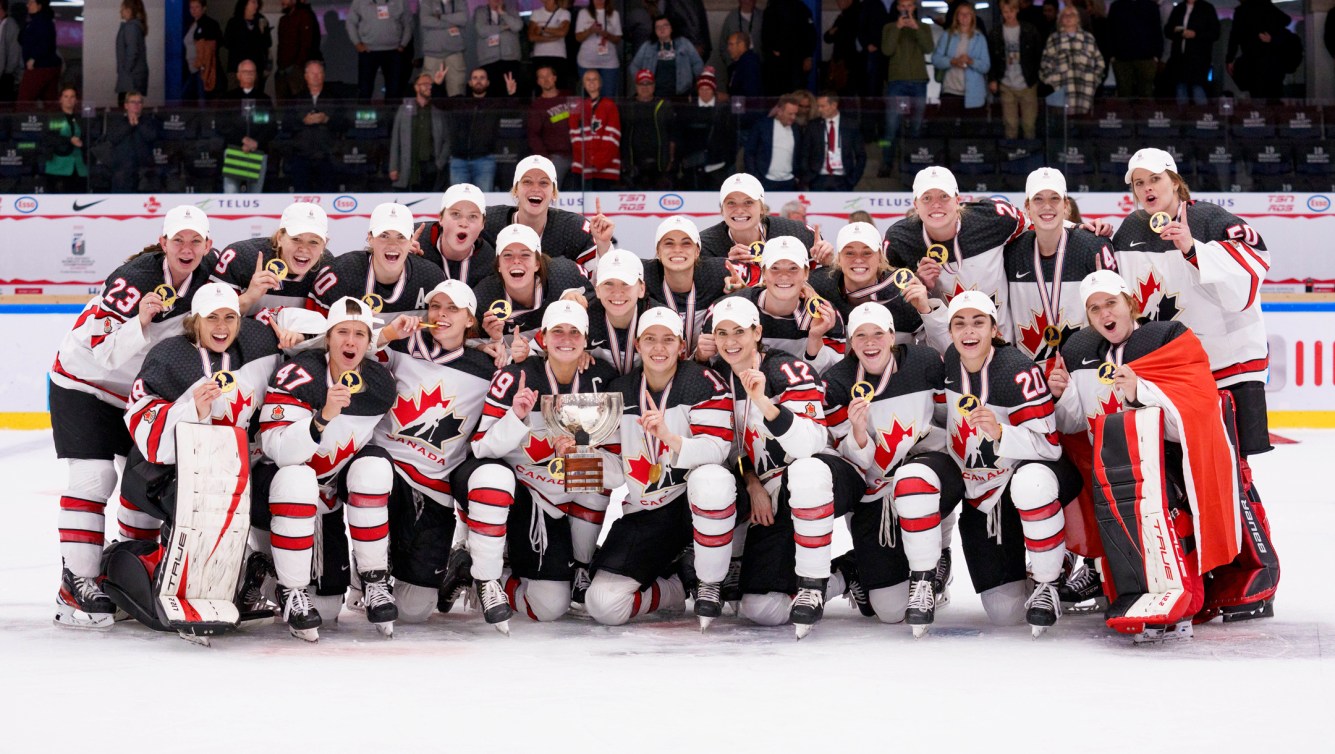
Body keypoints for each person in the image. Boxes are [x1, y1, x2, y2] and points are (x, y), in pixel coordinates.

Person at [1111, 147, 1273, 616]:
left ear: (1174, 181)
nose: (1146, 189)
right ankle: (1204, 575)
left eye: (1153, 180)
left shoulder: (1209, 219)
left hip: (1228, 368)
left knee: (1233, 475)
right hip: (1172, 375)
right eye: (1137, 182)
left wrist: (1193, 249)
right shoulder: (1130, 231)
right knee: (1186, 478)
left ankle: (1257, 577)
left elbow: (1252, 276)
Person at [1049, 271, 1254, 640]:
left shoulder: (1167, 339)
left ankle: (1185, 599)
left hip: (1167, 467)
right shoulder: (1078, 351)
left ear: (1130, 303)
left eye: (1111, 303)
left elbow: (1196, 413)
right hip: (1109, 471)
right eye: (1094, 309)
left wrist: (1141, 391)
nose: (1104, 313)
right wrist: (1062, 395)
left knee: (1165, 513)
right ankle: (1127, 594)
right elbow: (1074, 424)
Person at [50, 205, 216, 629]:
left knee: (147, 482)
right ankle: (77, 582)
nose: (187, 247)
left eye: (195, 240)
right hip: (83, 384)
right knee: (94, 479)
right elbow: (101, 352)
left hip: (138, 396)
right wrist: (141, 319)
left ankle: (128, 573)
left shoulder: (212, 277)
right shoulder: (134, 281)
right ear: (163, 243)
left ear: (207, 246)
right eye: (178, 239)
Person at [109, 283, 285, 635]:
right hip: (162, 470)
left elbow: (310, 329)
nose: (222, 326)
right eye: (213, 318)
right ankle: (141, 580)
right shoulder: (169, 355)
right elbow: (146, 430)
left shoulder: (257, 346)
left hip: (230, 469)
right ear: (195, 321)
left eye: (230, 317)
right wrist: (192, 410)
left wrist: (290, 331)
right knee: (184, 511)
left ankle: (239, 579)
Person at [911, 289, 1082, 635]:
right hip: (981, 486)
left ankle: (1049, 579)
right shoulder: (952, 361)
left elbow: (1050, 447)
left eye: (978, 323)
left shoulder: (1018, 371)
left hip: (1033, 473)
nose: (968, 331)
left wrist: (1001, 432)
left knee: (1030, 483)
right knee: (1005, 612)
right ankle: (941, 569)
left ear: (994, 329)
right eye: (960, 324)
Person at [704, 296, 849, 638]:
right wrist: (752, 483)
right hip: (770, 491)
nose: (730, 341)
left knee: (805, 473)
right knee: (759, 607)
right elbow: (731, 448)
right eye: (721, 333)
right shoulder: (718, 378)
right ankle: (839, 575)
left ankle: (823, 582)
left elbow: (809, 445)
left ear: (757, 332)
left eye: (739, 331)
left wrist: (765, 405)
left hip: (818, 481)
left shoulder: (787, 370)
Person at [254, 296, 398, 640]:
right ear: (328, 337)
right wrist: (323, 418)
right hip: (276, 489)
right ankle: (289, 589)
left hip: (327, 494)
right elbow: (279, 450)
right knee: (298, 477)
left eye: (360, 334)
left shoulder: (378, 383)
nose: (350, 341)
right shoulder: (300, 373)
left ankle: (374, 579)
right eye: (343, 332)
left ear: (369, 341)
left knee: (375, 467)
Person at [372, 282, 512, 629]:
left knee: (415, 609)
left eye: (453, 309)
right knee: (369, 478)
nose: (441, 315)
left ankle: (458, 564)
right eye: (435, 306)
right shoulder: (401, 346)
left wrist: (504, 350)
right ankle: (371, 570)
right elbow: (353, 347)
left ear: (470, 319)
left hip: (435, 486)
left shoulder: (487, 365)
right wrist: (387, 332)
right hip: (386, 470)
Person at [470, 301, 621, 619]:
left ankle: (581, 566)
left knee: (595, 476)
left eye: (573, 332)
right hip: (530, 499)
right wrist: (516, 415)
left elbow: (618, 474)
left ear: (585, 338)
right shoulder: (516, 376)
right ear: (543, 337)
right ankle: (490, 577)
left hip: (573, 496)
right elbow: (481, 449)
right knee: (548, 607)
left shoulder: (602, 378)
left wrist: (578, 455)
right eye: (557, 331)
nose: (565, 339)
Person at [586, 308, 736, 627]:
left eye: (668, 340)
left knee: (712, 479)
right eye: (650, 339)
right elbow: (613, 471)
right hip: (648, 513)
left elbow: (717, 451)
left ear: (682, 345)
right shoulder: (619, 389)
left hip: (695, 507)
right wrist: (577, 454)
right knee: (602, 605)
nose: (659, 347)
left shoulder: (702, 381)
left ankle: (710, 578)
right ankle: (678, 586)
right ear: (637, 344)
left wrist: (670, 438)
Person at [823, 301, 961, 631]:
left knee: (916, 480)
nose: (870, 342)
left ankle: (936, 560)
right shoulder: (837, 382)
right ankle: (855, 566)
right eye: (860, 336)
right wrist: (857, 430)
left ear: (891, 336)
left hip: (927, 471)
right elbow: (854, 464)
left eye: (877, 334)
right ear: (850, 342)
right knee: (889, 609)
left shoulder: (925, 361)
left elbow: (946, 419)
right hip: (877, 491)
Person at [886, 166, 1026, 339]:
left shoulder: (993, 219)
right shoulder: (900, 239)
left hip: (1001, 344)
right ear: (916, 204)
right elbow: (893, 299)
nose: (936, 204)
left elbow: (1033, 230)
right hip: (944, 350)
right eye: (927, 198)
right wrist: (920, 282)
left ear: (957, 200)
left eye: (944, 196)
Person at [1005, 167, 1115, 365]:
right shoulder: (1012, 252)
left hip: (1084, 364)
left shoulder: (1092, 246)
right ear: (1027, 207)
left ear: (1066, 206)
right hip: (1029, 368)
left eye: (1054, 198)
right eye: (1038, 199)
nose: (1047, 206)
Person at [719, 236, 846, 373]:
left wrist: (814, 338)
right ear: (763, 273)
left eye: (793, 268)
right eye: (775, 268)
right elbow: (718, 367)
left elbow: (829, 377)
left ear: (806, 273)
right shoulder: (736, 306)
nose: (784, 276)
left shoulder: (824, 313)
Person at [308, 203, 446, 319]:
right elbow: (315, 334)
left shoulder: (431, 277)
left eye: (401, 237)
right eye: (384, 236)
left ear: (411, 241)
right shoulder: (340, 274)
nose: (392, 244)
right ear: (370, 238)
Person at [481, 154, 615, 272]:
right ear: (516, 189)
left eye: (543, 183)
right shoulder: (490, 223)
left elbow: (600, 283)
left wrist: (603, 244)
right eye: (527, 182)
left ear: (554, 193)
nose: (535, 189)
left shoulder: (572, 228)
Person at [472, 223, 594, 345]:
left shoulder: (565, 276)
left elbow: (601, 303)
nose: (516, 261)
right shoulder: (483, 297)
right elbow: (464, 343)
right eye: (508, 255)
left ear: (537, 263)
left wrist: (579, 304)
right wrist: (490, 343)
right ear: (498, 265)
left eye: (525, 254)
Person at [210, 201, 334, 315]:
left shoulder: (328, 268)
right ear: (279, 237)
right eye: (296, 239)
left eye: (314, 242)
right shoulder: (242, 256)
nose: (304, 249)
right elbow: (210, 319)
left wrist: (301, 335)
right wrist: (249, 297)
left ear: (324, 244)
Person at [808, 221, 924, 341]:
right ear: (838, 259)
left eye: (867, 253)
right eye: (849, 253)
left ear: (880, 257)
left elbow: (934, 347)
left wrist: (926, 311)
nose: (858, 259)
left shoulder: (903, 292)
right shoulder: (819, 287)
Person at [699, 173, 822, 283]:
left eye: (748, 202)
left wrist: (827, 261)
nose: (740, 210)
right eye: (731, 203)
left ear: (762, 208)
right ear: (721, 210)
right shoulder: (704, 245)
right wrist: (724, 267)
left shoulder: (797, 232)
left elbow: (822, 278)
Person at [645, 216, 733, 359]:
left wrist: (741, 292)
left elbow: (764, 280)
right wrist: (603, 243)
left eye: (686, 243)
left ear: (697, 251)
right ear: (658, 251)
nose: (677, 250)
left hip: (704, 370)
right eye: (669, 244)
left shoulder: (719, 273)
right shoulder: (642, 275)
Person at [879, 0, 934, 177]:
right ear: (897, 8)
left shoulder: (923, 27)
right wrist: (898, 27)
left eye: (910, 5)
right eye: (903, 6)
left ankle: (913, 163)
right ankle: (886, 162)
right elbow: (886, 50)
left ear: (915, 8)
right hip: (897, 82)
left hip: (918, 81)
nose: (906, 9)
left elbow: (928, 48)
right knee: (891, 125)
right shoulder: (889, 27)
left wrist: (916, 28)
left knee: (916, 125)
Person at [584, 249, 660, 376]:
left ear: (641, 289)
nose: (617, 292)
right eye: (608, 283)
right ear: (597, 290)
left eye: (626, 284)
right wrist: (573, 356)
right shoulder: (583, 316)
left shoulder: (660, 319)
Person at [445, 67, 516, 192]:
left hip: (484, 160)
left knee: (483, 203)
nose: (478, 81)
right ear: (470, 82)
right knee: (458, 202)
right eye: (475, 78)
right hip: (458, 160)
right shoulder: (460, 101)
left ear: (488, 82)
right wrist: (437, 85)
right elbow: (440, 104)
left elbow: (512, 111)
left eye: (482, 78)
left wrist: (511, 94)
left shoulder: (494, 103)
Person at [413, 183, 495, 287]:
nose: (463, 223)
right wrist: (404, 264)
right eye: (456, 214)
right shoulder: (411, 240)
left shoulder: (488, 262)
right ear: (441, 218)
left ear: (482, 224)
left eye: (473, 216)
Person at [282, 60, 344, 191]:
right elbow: (286, 124)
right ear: (305, 76)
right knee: (302, 199)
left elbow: (344, 123)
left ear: (324, 75)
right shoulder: (296, 99)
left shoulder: (334, 99)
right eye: (312, 73)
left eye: (319, 73)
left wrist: (326, 119)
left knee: (328, 198)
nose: (316, 76)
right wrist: (304, 121)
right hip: (301, 156)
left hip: (327, 157)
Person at [219, 59, 277, 193]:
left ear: (256, 75)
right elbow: (222, 125)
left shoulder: (264, 99)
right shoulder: (228, 99)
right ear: (238, 75)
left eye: (252, 72)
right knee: (231, 192)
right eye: (245, 72)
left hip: (258, 150)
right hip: (234, 149)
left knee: (255, 194)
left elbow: (271, 127)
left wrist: (256, 142)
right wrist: (243, 140)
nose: (249, 74)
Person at [987, 0, 1043, 140]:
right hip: (1006, 82)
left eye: (1011, 11)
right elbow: (992, 58)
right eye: (1005, 12)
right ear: (1001, 12)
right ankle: (1012, 155)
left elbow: (1039, 55)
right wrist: (993, 79)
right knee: (1010, 124)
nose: (1009, 14)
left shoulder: (1030, 30)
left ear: (1017, 10)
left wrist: (1038, 76)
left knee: (1029, 124)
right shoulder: (995, 33)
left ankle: (1030, 155)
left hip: (1028, 82)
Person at [675, 67, 737, 191]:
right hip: (693, 166)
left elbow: (731, 138)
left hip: (718, 165)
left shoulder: (724, 111)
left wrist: (726, 158)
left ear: (713, 90)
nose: (704, 92)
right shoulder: (689, 110)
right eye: (701, 89)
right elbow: (682, 136)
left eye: (707, 89)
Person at [1038, 4, 1104, 115]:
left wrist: (1094, 80)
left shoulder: (1088, 38)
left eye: (1072, 15)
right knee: (1064, 127)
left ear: (1078, 19)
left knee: (1083, 126)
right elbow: (1045, 64)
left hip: (1085, 89)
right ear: (1060, 19)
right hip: (1061, 90)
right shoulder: (1054, 39)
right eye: (1065, 15)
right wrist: (1053, 82)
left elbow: (1099, 63)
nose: (1068, 17)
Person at [389, 71, 449, 191]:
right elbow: (396, 139)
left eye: (430, 84)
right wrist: (393, 167)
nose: (429, 86)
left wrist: (440, 163)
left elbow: (447, 140)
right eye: (425, 84)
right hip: (409, 163)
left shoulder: (437, 110)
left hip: (430, 164)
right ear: (416, 87)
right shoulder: (405, 108)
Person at [1226, 0, 1295, 101]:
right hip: (1270, 58)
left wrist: (1229, 58)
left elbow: (1234, 37)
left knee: (1259, 94)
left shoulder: (1242, 11)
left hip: (1255, 59)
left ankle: (1260, 115)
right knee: (1273, 94)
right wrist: (1272, 36)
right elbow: (1286, 20)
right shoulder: (1265, 6)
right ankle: (1273, 115)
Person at [932, 1, 991, 117]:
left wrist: (971, 61)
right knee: (948, 130)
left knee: (972, 131)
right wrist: (952, 61)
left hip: (974, 93)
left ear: (972, 17)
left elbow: (986, 66)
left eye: (967, 14)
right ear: (957, 17)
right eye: (961, 14)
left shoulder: (980, 38)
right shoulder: (947, 35)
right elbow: (936, 60)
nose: (964, 17)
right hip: (950, 90)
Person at [568, 69, 622, 190]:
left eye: (595, 79)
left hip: (606, 168)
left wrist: (598, 162)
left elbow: (612, 137)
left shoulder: (609, 105)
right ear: (583, 83)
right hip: (582, 168)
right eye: (588, 79)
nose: (591, 82)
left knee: (604, 207)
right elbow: (575, 137)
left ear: (600, 83)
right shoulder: (577, 107)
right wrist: (588, 160)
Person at [346, 0, 410, 99]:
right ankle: (363, 113)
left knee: (394, 91)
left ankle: (391, 114)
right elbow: (350, 21)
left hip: (393, 51)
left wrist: (403, 44)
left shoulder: (400, 1)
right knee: (364, 90)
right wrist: (357, 43)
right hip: (368, 51)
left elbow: (408, 23)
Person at [802, 91, 866, 191]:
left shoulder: (851, 125)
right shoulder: (813, 125)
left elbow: (861, 155)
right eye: (818, 106)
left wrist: (853, 179)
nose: (819, 110)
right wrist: (808, 177)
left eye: (823, 106)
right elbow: (804, 153)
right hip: (818, 178)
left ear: (834, 105)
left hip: (843, 179)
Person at [621, 69, 673, 189]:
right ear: (636, 86)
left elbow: (672, 133)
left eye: (648, 84)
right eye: (641, 84)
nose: (645, 87)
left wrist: (671, 158)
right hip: (633, 164)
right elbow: (621, 134)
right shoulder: (627, 106)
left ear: (654, 86)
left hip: (660, 164)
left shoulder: (664, 105)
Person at [628, 16, 704, 98]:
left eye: (665, 26)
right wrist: (643, 84)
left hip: (681, 93)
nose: (662, 29)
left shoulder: (684, 43)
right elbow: (634, 66)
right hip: (655, 95)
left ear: (672, 28)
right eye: (658, 27)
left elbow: (697, 64)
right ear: (654, 31)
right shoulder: (647, 46)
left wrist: (696, 84)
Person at [1163, 0, 1219, 106]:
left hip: (1198, 59)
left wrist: (1196, 34)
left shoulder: (1207, 8)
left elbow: (1215, 33)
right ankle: (1183, 119)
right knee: (1180, 88)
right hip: (1179, 58)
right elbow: (1167, 30)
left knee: (1198, 88)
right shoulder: (1179, 8)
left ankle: (1203, 118)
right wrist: (1175, 30)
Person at [101, 92, 159, 193]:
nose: (136, 105)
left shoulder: (149, 121)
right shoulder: (117, 122)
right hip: (122, 172)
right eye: (133, 102)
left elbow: (152, 137)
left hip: (144, 172)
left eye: (139, 102)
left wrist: (138, 124)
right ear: (126, 105)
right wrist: (130, 125)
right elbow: (112, 139)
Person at [526, 66, 574, 187]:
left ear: (554, 78)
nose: (546, 79)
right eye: (541, 77)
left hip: (578, 154)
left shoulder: (569, 96)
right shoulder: (537, 105)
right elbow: (533, 135)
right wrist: (545, 159)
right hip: (556, 157)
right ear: (538, 82)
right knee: (552, 193)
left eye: (548, 75)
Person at [745, 94, 804, 191]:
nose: (793, 117)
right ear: (780, 111)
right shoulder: (762, 126)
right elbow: (750, 152)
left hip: (789, 182)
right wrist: (755, 176)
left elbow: (800, 154)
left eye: (795, 114)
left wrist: (797, 176)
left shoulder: (796, 129)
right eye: (790, 114)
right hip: (765, 180)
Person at [1105, 0, 1161, 98]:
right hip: (1121, 57)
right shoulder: (1117, 6)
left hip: (1146, 57)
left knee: (1145, 94)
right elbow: (1110, 30)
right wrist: (1112, 54)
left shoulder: (1151, 6)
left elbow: (1156, 31)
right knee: (1124, 94)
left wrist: (1157, 54)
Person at [761, 0, 816, 95]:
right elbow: (766, 35)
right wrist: (773, 49)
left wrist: (808, 56)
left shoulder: (801, 8)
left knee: (795, 94)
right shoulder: (772, 9)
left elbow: (810, 34)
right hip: (779, 63)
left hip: (795, 61)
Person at [473, 0, 523, 98]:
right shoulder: (480, 11)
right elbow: (482, 30)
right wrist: (504, 27)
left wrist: (503, 13)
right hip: (488, 60)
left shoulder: (511, 11)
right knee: (492, 95)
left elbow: (518, 26)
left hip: (510, 59)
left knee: (512, 93)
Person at [42, 86, 87, 194]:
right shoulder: (53, 117)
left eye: (72, 97)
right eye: (66, 96)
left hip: (79, 166)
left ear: (76, 100)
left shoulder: (81, 118)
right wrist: (69, 140)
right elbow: (49, 137)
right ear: (60, 99)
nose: (69, 99)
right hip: (58, 165)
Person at [420, 0, 470, 97]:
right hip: (432, 52)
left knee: (457, 89)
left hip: (455, 51)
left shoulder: (460, 2)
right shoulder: (427, 2)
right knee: (428, 89)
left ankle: (456, 112)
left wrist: (440, 17)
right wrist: (452, 23)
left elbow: (463, 19)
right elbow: (425, 21)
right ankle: (429, 112)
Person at [575, 0, 623, 98]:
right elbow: (578, 37)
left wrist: (607, 35)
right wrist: (590, 30)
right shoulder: (583, 13)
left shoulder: (614, 14)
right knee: (588, 98)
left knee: (608, 97)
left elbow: (618, 39)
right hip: (587, 62)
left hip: (609, 62)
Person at [275, 0, 321, 101]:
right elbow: (281, 45)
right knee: (283, 104)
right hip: (283, 69)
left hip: (295, 69)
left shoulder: (304, 16)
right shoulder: (283, 20)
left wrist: (297, 64)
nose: (282, 2)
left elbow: (307, 43)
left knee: (298, 102)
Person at [224, 0, 272, 93]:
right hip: (236, 69)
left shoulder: (261, 20)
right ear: (245, 4)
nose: (256, 5)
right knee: (234, 97)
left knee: (254, 97)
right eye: (253, 2)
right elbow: (227, 43)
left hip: (255, 69)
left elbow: (268, 43)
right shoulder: (234, 22)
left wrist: (262, 32)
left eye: (257, 3)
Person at [18, 0, 61, 102]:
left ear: (39, 6)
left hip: (39, 67)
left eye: (31, 3)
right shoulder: (38, 21)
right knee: (50, 101)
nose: (28, 5)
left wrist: (33, 58)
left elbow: (45, 43)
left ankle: (24, 118)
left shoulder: (41, 22)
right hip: (48, 66)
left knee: (24, 101)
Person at [183, 0, 222, 102]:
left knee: (201, 99)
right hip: (192, 68)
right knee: (187, 97)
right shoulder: (192, 25)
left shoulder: (209, 24)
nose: (194, 10)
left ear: (204, 8)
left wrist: (203, 64)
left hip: (202, 69)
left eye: (197, 7)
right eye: (191, 7)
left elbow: (213, 45)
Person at [528, 0, 571, 93]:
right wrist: (552, 38)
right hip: (540, 55)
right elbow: (531, 36)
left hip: (558, 55)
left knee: (559, 86)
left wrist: (543, 29)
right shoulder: (536, 13)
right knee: (540, 87)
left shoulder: (564, 13)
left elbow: (563, 32)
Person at [824, 0, 864, 94]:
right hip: (842, 61)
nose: (839, 3)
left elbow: (837, 35)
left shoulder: (856, 14)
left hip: (853, 62)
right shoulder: (844, 15)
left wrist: (833, 33)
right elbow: (827, 37)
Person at [115, 0, 149, 106]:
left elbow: (132, 51)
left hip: (131, 79)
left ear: (129, 10)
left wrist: (125, 71)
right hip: (133, 76)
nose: (120, 11)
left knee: (125, 109)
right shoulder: (135, 26)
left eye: (123, 8)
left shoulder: (131, 27)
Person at [716, 0, 763, 75]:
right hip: (736, 68)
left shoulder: (762, 17)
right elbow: (723, 45)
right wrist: (731, 65)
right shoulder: (731, 18)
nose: (747, 1)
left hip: (759, 68)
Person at [726, 31, 763, 99]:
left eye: (731, 44)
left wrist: (728, 97)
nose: (728, 48)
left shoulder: (750, 64)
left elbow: (750, 95)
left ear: (741, 45)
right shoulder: (737, 65)